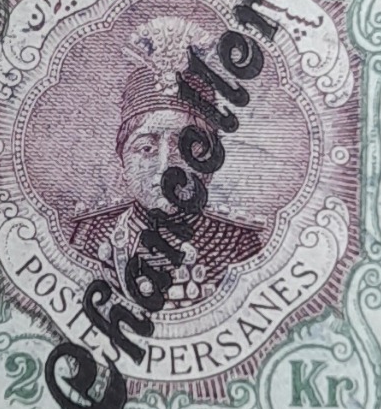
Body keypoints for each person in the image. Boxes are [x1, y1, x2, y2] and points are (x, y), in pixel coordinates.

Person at [64, 26, 263, 312]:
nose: (165, 167)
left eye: (186, 147)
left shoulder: (239, 244)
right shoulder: (88, 235)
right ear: (123, 162)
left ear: (209, 163)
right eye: (146, 148)